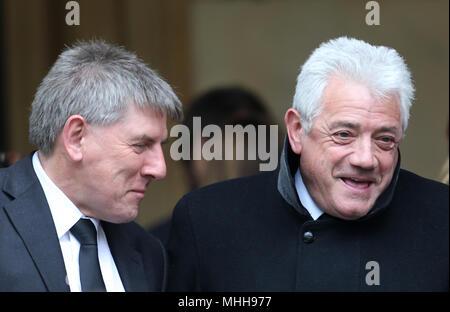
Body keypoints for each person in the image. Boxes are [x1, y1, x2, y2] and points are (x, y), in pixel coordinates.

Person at [166, 37, 449, 291]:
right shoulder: (207, 221)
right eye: (343, 135)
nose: (365, 159)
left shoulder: (441, 219)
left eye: (385, 139)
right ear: (297, 130)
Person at [0, 40, 182, 291]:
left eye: (161, 146)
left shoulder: (148, 253)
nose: (159, 169)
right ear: (76, 138)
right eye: (141, 145)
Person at [149, 86, 281, 243]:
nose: (240, 156)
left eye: (252, 140)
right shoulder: (157, 247)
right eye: (216, 144)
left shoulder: (297, 233)